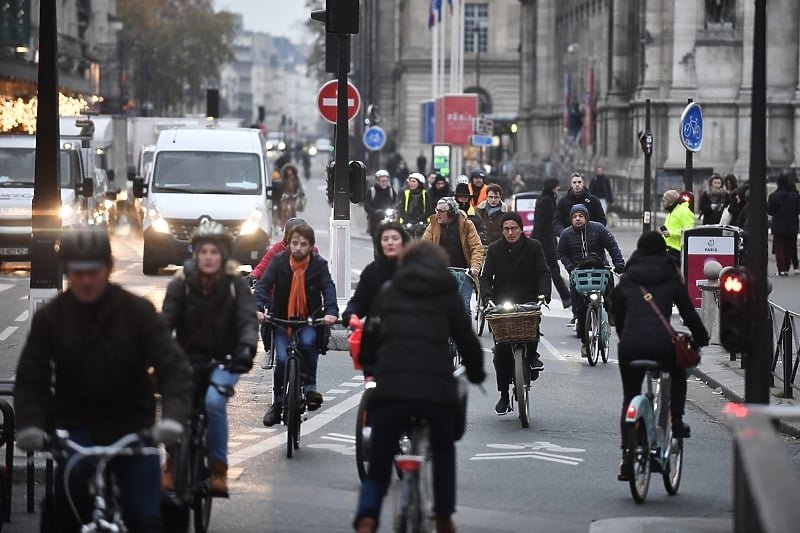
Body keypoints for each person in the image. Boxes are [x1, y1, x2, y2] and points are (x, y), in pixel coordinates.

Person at [14, 228, 192, 532]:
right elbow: (32, 376)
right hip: (75, 429)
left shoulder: (138, 312)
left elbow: (173, 368)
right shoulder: (52, 318)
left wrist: (173, 419)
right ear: (67, 270)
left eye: (92, 271)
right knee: (66, 510)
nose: (85, 280)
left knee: (144, 517)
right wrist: (30, 425)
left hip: (133, 430)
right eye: (77, 272)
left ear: (109, 268)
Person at [353, 241, 485, 533]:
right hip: (435, 392)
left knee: (380, 456)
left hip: (392, 391)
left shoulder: (388, 291)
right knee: (443, 449)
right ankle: (443, 517)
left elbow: (367, 346)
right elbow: (467, 341)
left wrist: (373, 366)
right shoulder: (446, 293)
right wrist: (476, 373)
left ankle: (367, 515)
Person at [161, 219, 258, 497]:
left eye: (214, 252)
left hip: (225, 360)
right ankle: (170, 461)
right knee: (177, 404)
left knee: (214, 403)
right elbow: (165, 323)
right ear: (195, 254)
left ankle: (218, 469)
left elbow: (247, 321)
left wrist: (246, 348)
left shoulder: (235, 286)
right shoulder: (181, 285)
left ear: (223, 255)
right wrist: (161, 352)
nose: (208, 257)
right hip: (187, 360)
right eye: (203, 252)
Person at [612, 231, 709, 480]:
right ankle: (676, 420)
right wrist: (701, 338)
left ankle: (627, 457)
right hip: (661, 345)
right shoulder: (670, 273)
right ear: (662, 249)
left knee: (629, 397)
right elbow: (688, 313)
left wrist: (625, 335)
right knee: (677, 372)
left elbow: (615, 309)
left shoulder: (629, 276)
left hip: (630, 346)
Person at [256, 223, 339, 426]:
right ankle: (277, 403)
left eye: (303, 244)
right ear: (288, 243)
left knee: (309, 343)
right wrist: (257, 308)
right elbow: (264, 286)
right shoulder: (278, 262)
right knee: (282, 359)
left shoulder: (318, 264)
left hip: (308, 319)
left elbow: (328, 288)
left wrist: (331, 312)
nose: (298, 248)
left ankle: (310, 387)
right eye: (294, 243)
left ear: (310, 246)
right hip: (282, 319)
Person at [480, 211, 551, 414]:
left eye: (514, 228)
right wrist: (487, 298)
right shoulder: (494, 249)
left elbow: (543, 272)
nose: (510, 232)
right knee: (501, 351)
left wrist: (543, 294)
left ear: (521, 229)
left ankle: (532, 356)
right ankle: (503, 394)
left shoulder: (534, 247)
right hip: (502, 303)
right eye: (506, 229)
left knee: (530, 328)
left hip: (528, 299)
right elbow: (486, 278)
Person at [558, 204, 625, 356]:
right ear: (571, 219)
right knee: (580, 310)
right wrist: (570, 267)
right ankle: (584, 342)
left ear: (586, 218)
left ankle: (611, 313)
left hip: (600, 269)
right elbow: (562, 253)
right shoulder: (566, 234)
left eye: (580, 216)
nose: (577, 219)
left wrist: (619, 264)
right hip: (578, 273)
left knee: (610, 292)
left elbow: (612, 246)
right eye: (574, 217)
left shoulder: (598, 228)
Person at [423, 197, 484, 316]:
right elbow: (425, 247)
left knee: (464, 307)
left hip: (464, 272)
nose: (437, 214)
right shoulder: (433, 225)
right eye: (436, 210)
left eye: (441, 211)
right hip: (441, 273)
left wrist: (475, 267)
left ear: (451, 212)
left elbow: (476, 247)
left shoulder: (466, 225)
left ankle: (464, 334)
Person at [342, 221, 410, 327]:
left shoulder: (415, 269)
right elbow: (359, 301)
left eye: (395, 238)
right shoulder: (372, 270)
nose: (390, 242)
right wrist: (350, 314)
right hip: (377, 332)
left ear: (403, 242)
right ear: (380, 244)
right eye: (385, 239)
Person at [532, 177, 571, 307]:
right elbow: (542, 222)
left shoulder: (544, 199)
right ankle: (565, 296)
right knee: (553, 269)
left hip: (545, 238)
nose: (558, 188)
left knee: (547, 269)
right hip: (546, 240)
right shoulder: (547, 201)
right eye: (557, 186)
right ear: (552, 187)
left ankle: (562, 296)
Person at [767, 173, 800, 276]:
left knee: (779, 248)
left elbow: (770, 211)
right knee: (789, 247)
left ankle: (781, 269)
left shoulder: (773, 196)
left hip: (778, 225)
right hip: (792, 225)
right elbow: (798, 210)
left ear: (777, 183)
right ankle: (786, 267)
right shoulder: (795, 196)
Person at [660, 190, 696, 266]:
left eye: (664, 200)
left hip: (677, 251)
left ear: (671, 201)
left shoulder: (684, 212)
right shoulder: (672, 212)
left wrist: (671, 233)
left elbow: (689, 230)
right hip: (668, 250)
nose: (663, 203)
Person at [363, 169, 398, 237]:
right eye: (382, 181)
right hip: (375, 221)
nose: (384, 183)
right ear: (377, 181)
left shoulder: (391, 190)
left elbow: (396, 202)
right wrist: (375, 211)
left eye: (385, 181)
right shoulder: (372, 191)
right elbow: (366, 206)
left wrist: (394, 209)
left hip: (388, 219)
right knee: (376, 241)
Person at [396, 172, 431, 238]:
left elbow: (428, 210)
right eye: (410, 181)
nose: (411, 183)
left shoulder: (425, 194)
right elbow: (401, 209)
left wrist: (418, 219)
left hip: (421, 224)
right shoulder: (406, 193)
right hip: (407, 223)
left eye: (414, 181)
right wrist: (406, 219)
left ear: (419, 183)